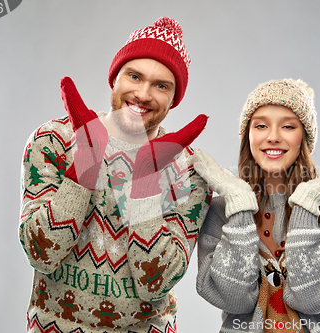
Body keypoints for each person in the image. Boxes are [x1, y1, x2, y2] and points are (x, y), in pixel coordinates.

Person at [19, 17, 211, 333]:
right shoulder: (53, 140)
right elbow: (41, 254)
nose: (143, 93)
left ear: (174, 98)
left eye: (161, 85)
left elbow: (156, 283)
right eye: (134, 76)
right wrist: (84, 166)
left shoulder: (189, 171)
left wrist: (146, 182)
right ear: (115, 78)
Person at [194, 79, 320, 333]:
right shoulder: (220, 210)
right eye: (261, 125)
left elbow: (313, 299)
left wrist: (307, 204)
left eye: (287, 126)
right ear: (247, 136)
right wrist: (239, 202)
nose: (273, 137)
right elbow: (234, 299)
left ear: (303, 137)